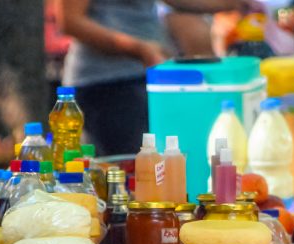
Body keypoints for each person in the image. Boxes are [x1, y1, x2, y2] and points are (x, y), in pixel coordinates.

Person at [56, 0, 255, 156]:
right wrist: (138, 49)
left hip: (147, 76)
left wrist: (231, 4)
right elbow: (70, 22)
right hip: (104, 84)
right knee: (131, 179)